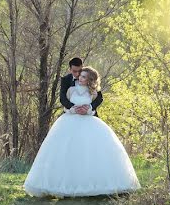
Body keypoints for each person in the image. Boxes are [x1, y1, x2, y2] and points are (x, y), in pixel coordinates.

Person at [24, 66, 140, 197]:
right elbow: (65, 104)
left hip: (88, 123)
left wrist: (88, 109)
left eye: (84, 76)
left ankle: (96, 184)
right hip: (69, 122)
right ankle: (62, 185)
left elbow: (94, 107)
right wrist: (73, 109)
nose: (80, 78)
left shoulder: (93, 93)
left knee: (89, 152)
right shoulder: (71, 90)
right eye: (80, 75)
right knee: (66, 152)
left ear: (90, 80)